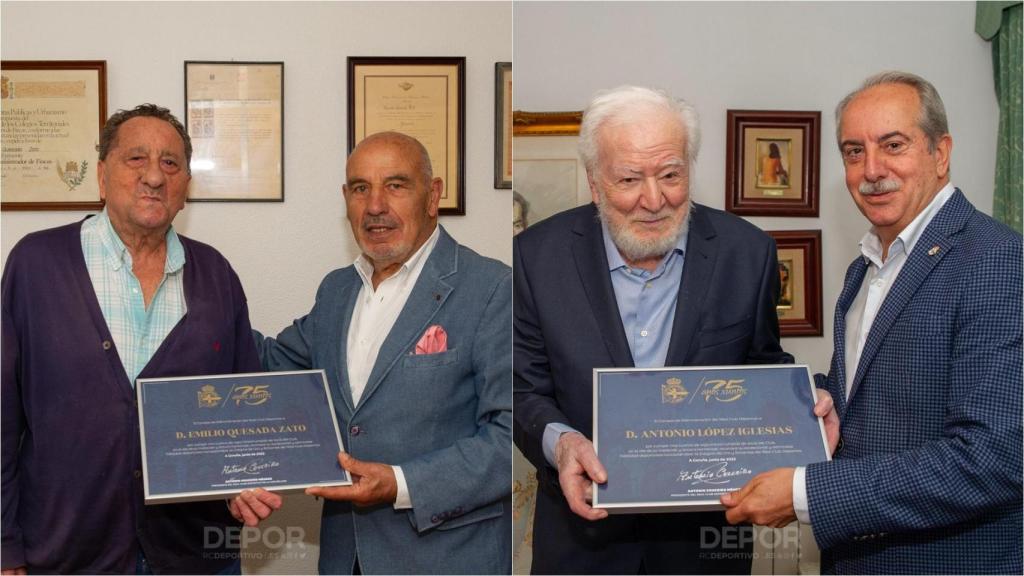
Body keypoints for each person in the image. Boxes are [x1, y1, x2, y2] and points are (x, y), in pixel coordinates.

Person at [513, 85, 828, 574]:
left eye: (670, 175)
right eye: (629, 179)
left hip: (703, 546)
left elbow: (761, 366)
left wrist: (803, 403)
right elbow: (523, 390)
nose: (653, 200)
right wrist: (563, 443)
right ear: (595, 183)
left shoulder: (747, 254)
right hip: (582, 543)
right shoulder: (536, 258)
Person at [721, 71, 1022, 574]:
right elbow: (873, 403)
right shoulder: (867, 266)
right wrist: (818, 404)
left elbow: (992, 458)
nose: (871, 169)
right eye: (853, 151)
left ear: (940, 152)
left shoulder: (997, 260)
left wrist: (803, 492)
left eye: (893, 145)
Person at [1, 104, 280, 574]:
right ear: (102, 175)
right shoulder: (36, 264)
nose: (154, 176)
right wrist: (4, 543)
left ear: (186, 188)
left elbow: (242, 410)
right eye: (136, 159)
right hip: (66, 552)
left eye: (170, 163)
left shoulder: (216, 275)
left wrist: (244, 481)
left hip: (194, 553)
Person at [256, 131, 512, 574]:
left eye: (395, 185)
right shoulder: (336, 290)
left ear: (432, 196)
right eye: (360, 188)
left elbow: (510, 437)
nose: (375, 206)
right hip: (345, 559)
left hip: (448, 560)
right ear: (346, 199)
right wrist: (205, 307)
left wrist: (400, 483)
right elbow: (275, 365)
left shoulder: (491, 288)